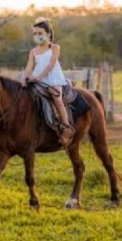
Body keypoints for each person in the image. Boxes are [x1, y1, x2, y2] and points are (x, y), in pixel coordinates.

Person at [21, 17, 75, 146]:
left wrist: (39, 77)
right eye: (35, 34)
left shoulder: (54, 48)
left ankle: (66, 128)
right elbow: (29, 67)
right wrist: (24, 78)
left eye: (40, 33)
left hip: (53, 78)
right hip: (37, 78)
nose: (37, 36)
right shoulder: (33, 52)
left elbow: (51, 65)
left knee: (57, 99)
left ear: (48, 34)